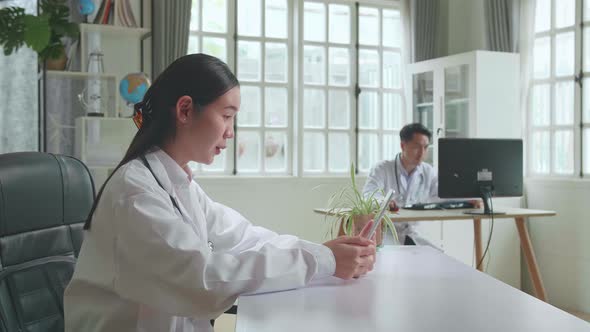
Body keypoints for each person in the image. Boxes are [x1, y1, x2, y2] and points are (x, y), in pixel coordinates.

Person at [64, 54, 377, 332]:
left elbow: (245, 237)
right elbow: (202, 281)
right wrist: (323, 260)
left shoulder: (176, 183)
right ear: (185, 110)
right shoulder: (135, 195)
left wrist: (328, 253)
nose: (231, 131)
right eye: (226, 115)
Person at [362, 123, 438, 246]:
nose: (421, 153)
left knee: (437, 256)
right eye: (417, 147)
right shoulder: (382, 168)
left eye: (425, 147)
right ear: (403, 145)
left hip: (415, 232)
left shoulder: (428, 171)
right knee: (389, 257)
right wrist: (384, 202)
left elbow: (441, 196)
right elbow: (368, 195)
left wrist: (468, 200)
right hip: (387, 232)